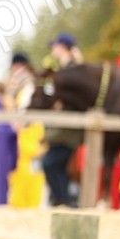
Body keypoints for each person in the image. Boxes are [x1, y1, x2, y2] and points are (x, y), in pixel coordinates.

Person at [42, 38, 85, 207]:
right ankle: (61, 199)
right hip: (59, 130)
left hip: (67, 130)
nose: (53, 50)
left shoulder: (72, 69)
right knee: (54, 164)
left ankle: (64, 200)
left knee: (51, 163)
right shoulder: (61, 70)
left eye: (55, 46)